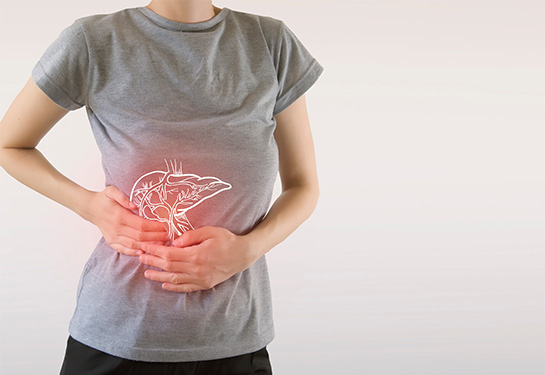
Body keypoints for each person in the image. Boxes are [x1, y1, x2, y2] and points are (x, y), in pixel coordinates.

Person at [0, 0, 324, 373]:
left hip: (235, 341)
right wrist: (89, 206)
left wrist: (247, 250)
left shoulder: (271, 43)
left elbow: (303, 186)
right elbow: (10, 145)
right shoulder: (93, 41)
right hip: (117, 340)